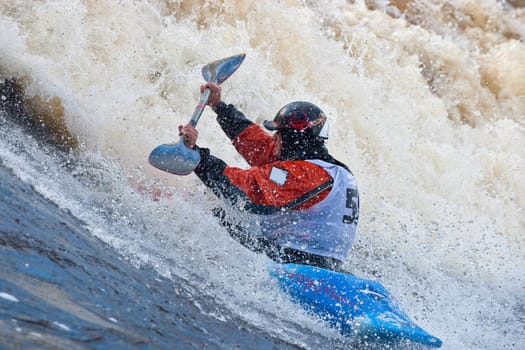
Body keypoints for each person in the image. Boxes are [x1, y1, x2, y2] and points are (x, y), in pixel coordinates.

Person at [178, 82, 359, 272]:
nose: (273, 138)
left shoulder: (306, 176)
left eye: (279, 133)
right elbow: (259, 147)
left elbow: (243, 189)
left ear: (293, 139)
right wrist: (219, 107)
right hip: (324, 264)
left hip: (295, 262)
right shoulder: (329, 170)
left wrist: (196, 156)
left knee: (214, 214)